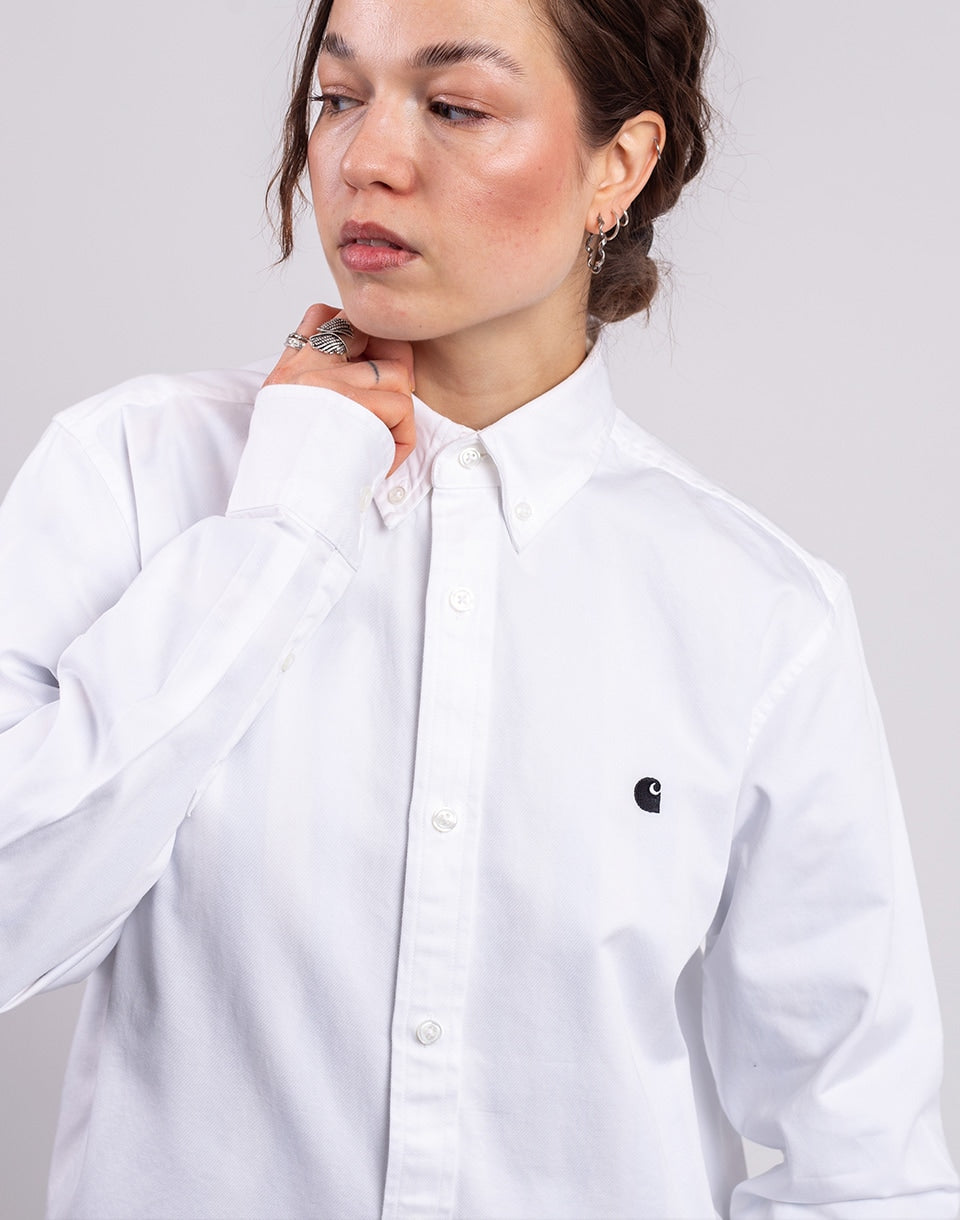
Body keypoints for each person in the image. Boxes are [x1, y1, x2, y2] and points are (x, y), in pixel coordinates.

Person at [0, 0, 956, 1215]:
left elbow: (862, 1164)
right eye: (338, 98)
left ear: (618, 166)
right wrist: (277, 532)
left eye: (454, 106)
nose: (366, 160)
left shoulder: (759, 615)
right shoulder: (135, 476)